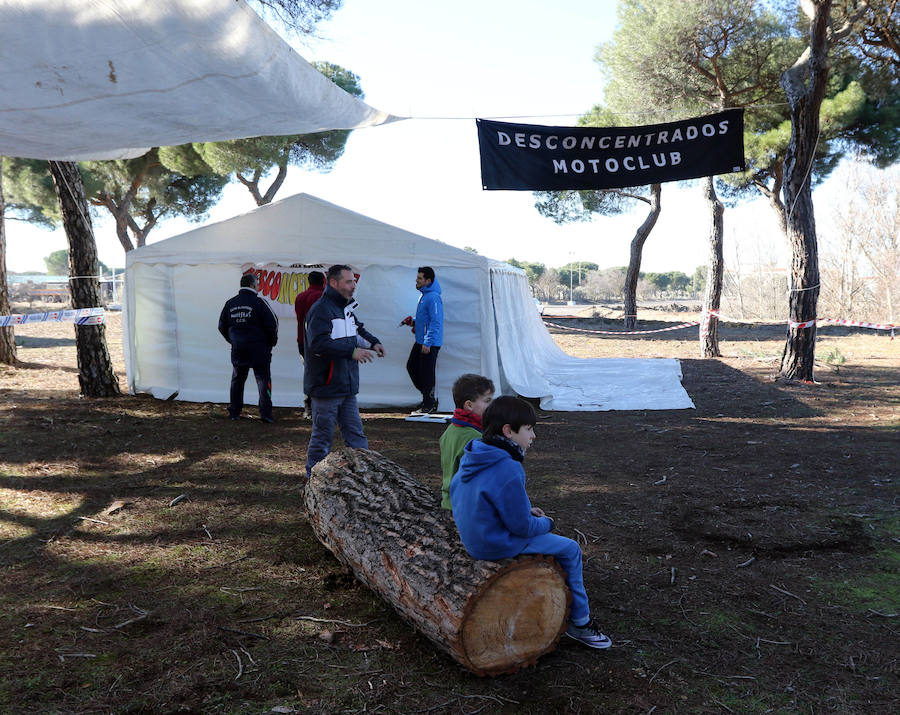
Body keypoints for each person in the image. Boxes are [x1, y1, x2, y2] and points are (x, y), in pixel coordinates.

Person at [449, 396, 612, 650]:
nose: (533, 436)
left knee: (545, 538)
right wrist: (547, 523)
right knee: (570, 549)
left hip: (475, 539)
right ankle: (580, 623)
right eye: (528, 429)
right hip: (496, 544)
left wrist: (526, 510)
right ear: (508, 431)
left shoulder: (474, 455)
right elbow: (522, 528)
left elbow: (486, 498)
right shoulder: (508, 467)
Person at [303, 264, 385, 478]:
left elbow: (357, 332)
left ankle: (365, 476)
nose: (353, 286)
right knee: (322, 438)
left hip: (346, 386)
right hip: (326, 386)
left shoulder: (346, 309)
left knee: (355, 434)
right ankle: (312, 480)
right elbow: (318, 344)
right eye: (349, 282)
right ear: (333, 283)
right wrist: (352, 352)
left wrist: (373, 343)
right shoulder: (321, 310)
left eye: (354, 281)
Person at [218, 272, 279, 423]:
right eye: (258, 284)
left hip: (239, 348)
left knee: (237, 379)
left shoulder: (230, 303)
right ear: (253, 285)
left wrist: (233, 340)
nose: (258, 287)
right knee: (263, 380)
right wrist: (271, 342)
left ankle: (234, 412)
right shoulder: (260, 303)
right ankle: (266, 414)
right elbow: (273, 324)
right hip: (259, 348)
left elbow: (221, 326)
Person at [439, 373, 495, 512]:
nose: (491, 405)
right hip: (466, 506)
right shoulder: (476, 439)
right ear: (469, 405)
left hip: (449, 501)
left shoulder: (449, 431)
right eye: (487, 400)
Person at [401, 266, 443, 414]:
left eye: (419, 279)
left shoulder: (433, 297)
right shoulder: (424, 295)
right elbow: (425, 319)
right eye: (417, 278)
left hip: (428, 343)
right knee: (412, 367)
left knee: (426, 373)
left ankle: (429, 403)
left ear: (428, 281)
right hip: (421, 340)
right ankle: (428, 398)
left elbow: (436, 321)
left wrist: (428, 342)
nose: (416, 281)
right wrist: (412, 321)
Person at [293, 270, 325, 419]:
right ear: (324, 281)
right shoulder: (324, 297)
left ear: (309, 282)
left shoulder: (300, 297)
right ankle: (323, 406)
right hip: (322, 342)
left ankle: (309, 407)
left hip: (303, 341)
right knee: (326, 373)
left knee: (309, 373)